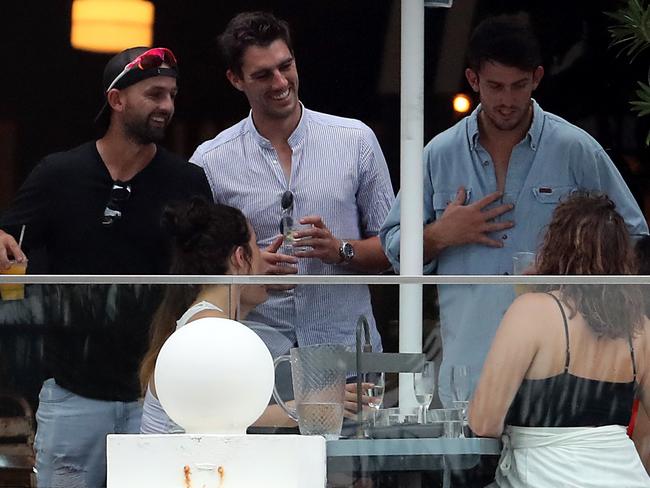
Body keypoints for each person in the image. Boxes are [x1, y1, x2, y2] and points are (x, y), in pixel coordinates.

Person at [379, 14, 648, 406]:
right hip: (470, 375)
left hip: (562, 376)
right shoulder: (439, 154)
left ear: (537, 78)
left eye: (519, 86)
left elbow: (634, 242)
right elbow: (393, 249)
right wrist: (440, 235)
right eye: (495, 86)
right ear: (473, 80)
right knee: (470, 467)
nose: (507, 100)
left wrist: (574, 270)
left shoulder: (576, 149)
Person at [0, 47, 212, 487]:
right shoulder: (58, 174)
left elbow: (208, 276)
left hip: (157, 394)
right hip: (71, 390)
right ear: (117, 100)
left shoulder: (186, 182)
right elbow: (10, 242)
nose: (167, 106)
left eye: (172, 95)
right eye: (155, 94)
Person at [190, 11, 394, 352]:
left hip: (344, 350)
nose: (281, 82)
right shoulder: (210, 160)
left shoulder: (355, 139)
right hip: (254, 355)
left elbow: (393, 248)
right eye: (263, 75)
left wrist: (341, 250)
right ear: (236, 79)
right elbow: (194, 270)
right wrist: (248, 271)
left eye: (286, 66)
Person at [139, 198, 371, 433]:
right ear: (240, 257)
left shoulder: (206, 321)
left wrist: (251, 284)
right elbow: (227, 415)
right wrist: (314, 407)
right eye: (256, 248)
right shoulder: (209, 328)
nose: (265, 258)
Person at [468, 193, 650, 487]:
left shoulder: (531, 311)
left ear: (554, 248)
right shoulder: (640, 329)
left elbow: (484, 422)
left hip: (543, 476)